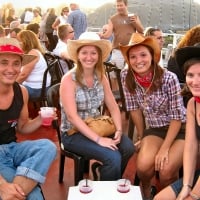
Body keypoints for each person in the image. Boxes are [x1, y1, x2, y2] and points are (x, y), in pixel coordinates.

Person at [60, 32, 134, 181]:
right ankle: (107, 188)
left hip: (97, 126)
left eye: (93, 53)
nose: (89, 57)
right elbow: (72, 117)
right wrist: (99, 140)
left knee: (128, 148)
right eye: (84, 53)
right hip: (73, 134)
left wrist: (119, 130)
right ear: (78, 55)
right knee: (112, 157)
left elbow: (113, 106)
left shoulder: (100, 76)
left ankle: (106, 176)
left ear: (99, 56)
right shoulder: (69, 80)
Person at [120, 33, 186, 200]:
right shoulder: (126, 77)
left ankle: (170, 196)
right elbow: (134, 109)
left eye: (143, 54)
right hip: (155, 129)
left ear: (152, 56)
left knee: (165, 171)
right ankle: (148, 192)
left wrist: (164, 149)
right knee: (142, 167)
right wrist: (143, 136)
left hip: (180, 129)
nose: (138, 60)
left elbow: (177, 117)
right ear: (128, 60)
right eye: (133, 56)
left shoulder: (168, 78)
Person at [0, 37, 57, 199]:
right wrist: (2, 185)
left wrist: (40, 119)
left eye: (16, 63)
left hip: (13, 148)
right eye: (4, 62)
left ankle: (13, 193)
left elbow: (22, 127)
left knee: (48, 147)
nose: (11, 69)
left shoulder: (22, 92)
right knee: (35, 197)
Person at [153, 45, 200, 200]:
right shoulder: (193, 104)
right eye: (190, 75)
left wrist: (194, 194)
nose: (195, 81)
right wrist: (186, 186)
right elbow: (191, 146)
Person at [99, 0, 144, 70]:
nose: (119, 7)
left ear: (126, 5)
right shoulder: (112, 19)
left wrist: (135, 22)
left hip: (131, 50)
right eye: (117, 6)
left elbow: (141, 31)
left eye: (121, 5)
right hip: (118, 51)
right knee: (116, 74)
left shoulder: (134, 16)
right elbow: (108, 34)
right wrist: (101, 35)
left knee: (130, 73)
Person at [16, 30, 51, 100]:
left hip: (37, 89)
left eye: (19, 41)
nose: (17, 43)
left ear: (26, 42)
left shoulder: (32, 54)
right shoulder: (32, 51)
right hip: (35, 86)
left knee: (5, 92)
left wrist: (9, 86)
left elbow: (23, 75)